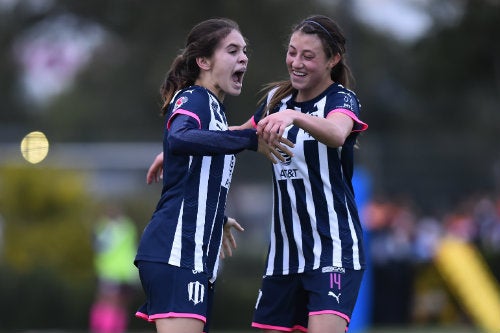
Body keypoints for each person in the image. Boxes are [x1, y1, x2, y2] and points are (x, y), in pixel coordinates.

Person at [146, 14, 368, 333]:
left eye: (308, 56)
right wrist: (170, 151)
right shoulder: (275, 101)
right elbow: (235, 132)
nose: (296, 63)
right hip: (283, 254)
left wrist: (294, 116)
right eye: (292, 52)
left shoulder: (340, 99)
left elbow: (336, 132)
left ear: (333, 59)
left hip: (332, 247)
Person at [134, 18, 293, 333]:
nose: (243, 57)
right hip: (175, 251)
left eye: (245, 51)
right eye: (232, 50)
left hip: (193, 257)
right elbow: (181, 137)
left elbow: (201, 147)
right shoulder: (193, 98)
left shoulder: (215, 110)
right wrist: (249, 141)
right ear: (203, 61)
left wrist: (215, 215)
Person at [90, 204, 139, 333]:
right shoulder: (128, 227)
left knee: (112, 303)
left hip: (114, 272)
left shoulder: (105, 228)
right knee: (114, 303)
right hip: (120, 272)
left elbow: (99, 247)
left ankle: (107, 329)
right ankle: (108, 329)